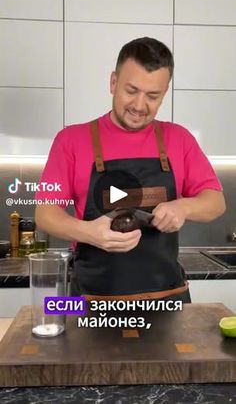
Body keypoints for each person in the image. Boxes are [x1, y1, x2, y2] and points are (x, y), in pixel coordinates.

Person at [35, 37, 226, 303]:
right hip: (93, 300)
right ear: (113, 82)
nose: (139, 105)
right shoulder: (70, 140)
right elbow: (45, 213)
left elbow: (215, 202)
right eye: (131, 90)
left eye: (152, 96)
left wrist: (183, 208)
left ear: (165, 93)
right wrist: (89, 233)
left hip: (166, 298)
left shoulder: (179, 139)